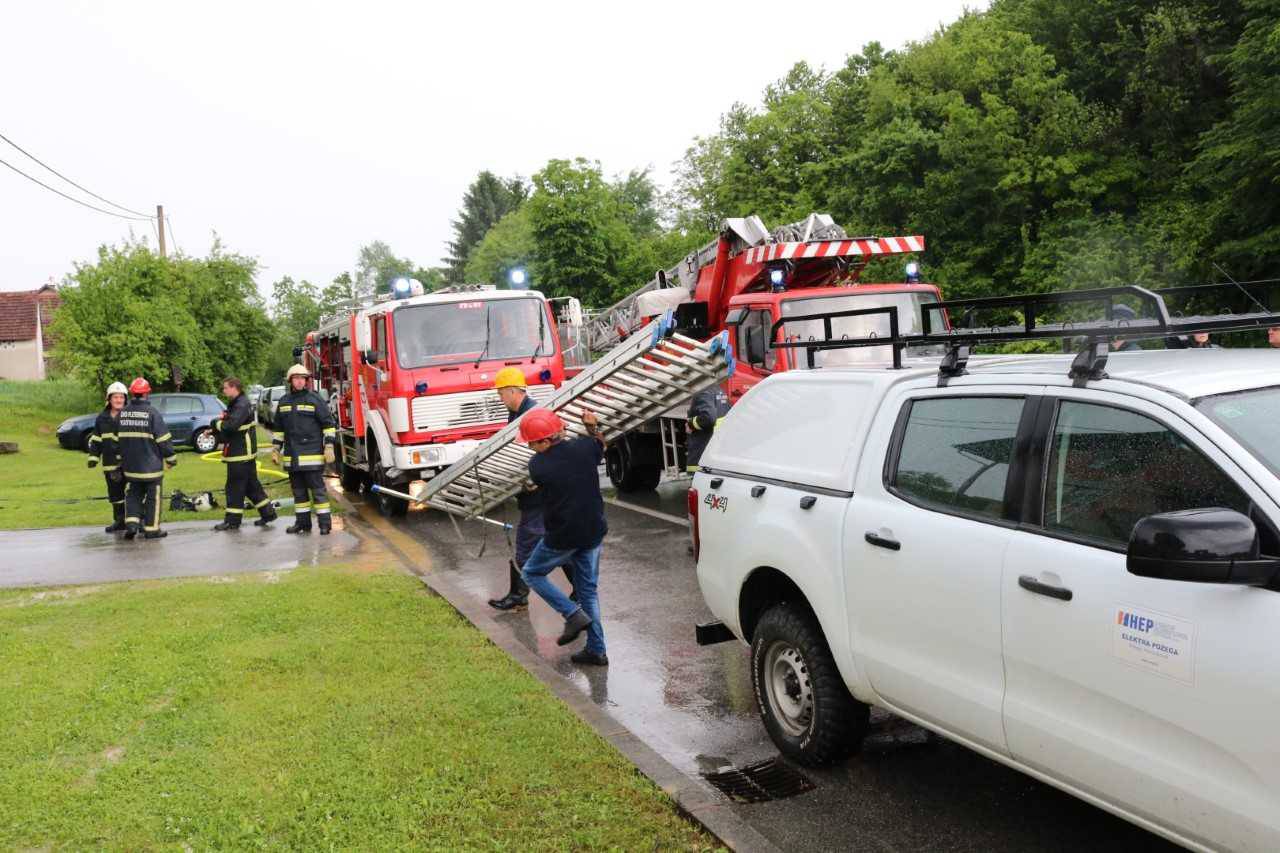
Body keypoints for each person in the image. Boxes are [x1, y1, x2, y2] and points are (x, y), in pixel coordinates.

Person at [518, 407, 609, 666]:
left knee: (531, 573)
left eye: (533, 442)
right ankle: (597, 650)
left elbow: (543, 483)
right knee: (588, 591)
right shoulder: (585, 447)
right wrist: (592, 426)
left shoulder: (538, 466)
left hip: (563, 536)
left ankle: (571, 613)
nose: (530, 448)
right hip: (593, 531)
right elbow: (601, 445)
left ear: (545, 440)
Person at [487, 367, 575, 610]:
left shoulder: (532, 414)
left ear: (513, 391)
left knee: (526, 547)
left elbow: (554, 448)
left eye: (501, 393)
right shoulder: (516, 414)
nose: (499, 397)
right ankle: (578, 588)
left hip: (538, 496)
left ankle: (520, 594)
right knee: (553, 544)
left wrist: (539, 479)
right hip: (535, 494)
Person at [272, 364, 336, 534]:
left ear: (306, 381)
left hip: (312, 455)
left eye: (302, 378)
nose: (299, 381)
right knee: (299, 494)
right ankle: (303, 524)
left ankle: (324, 525)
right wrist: (275, 449)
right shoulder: (284, 401)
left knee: (318, 493)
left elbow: (329, 425)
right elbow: (278, 428)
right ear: (290, 381)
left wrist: (329, 445)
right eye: (296, 378)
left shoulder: (314, 399)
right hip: (292, 457)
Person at [213, 376, 277, 531]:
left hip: (240, 453)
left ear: (234, 387)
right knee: (251, 486)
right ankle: (268, 513)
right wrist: (215, 431)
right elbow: (231, 425)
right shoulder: (238, 403)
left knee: (234, 487)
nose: (224, 390)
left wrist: (215, 423)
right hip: (242, 452)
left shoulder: (241, 404)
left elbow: (230, 426)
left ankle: (232, 521)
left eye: (225, 387)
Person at [116, 377, 177, 540]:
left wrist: (118, 463)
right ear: (146, 394)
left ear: (132, 393)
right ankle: (151, 530)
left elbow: (117, 441)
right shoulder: (152, 413)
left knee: (133, 495)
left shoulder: (122, 414)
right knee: (153, 499)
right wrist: (171, 459)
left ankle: (131, 525)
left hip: (130, 467)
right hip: (151, 468)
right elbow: (163, 440)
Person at [87, 381, 128, 533]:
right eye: (116, 397)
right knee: (115, 495)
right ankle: (119, 521)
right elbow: (96, 439)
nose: (119, 400)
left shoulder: (129, 416)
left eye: (121, 397)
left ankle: (139, 522)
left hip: (130, 463)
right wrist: (93, 457)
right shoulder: (101, 418)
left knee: (135, 493)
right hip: (110, 465)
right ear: (109, 399)